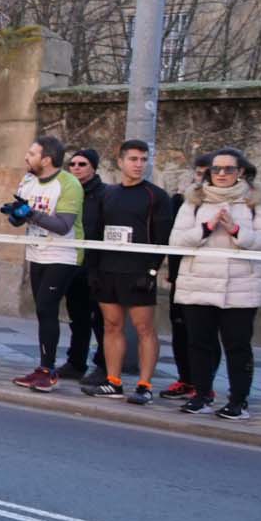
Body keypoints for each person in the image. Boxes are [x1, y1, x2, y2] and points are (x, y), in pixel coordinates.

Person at [169, 148, 261, 420]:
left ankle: (238, 401)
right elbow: (176, 241)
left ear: (241, 172)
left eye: (228, 169)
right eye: (216, 169)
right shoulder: (194, 200)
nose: (221, 174)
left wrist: (236, 230)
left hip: (240, 287)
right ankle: (201, 395)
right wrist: (206, 228)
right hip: (198, 284)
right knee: (199, 344)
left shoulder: (255, 202)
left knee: (237, 345)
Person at [80, 139, 170, 403]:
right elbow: (94, 233)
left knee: (144, 328)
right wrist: (93, 270)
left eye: (143, 159)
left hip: (138, 272)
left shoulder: (156, 196)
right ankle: (113, 381)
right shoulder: (107, 194)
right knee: (111, 325)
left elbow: (162, 239)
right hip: (108, 270)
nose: (139, 165)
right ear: (120, 162)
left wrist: (151, 271)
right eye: (133, 159)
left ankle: (144, 385)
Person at [6, 135, 85, 392]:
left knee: (46, 308)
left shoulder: (69, 184)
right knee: (41, 310)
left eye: (32, 153)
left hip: (63, 254)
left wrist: (31, 213)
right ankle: (42, 367)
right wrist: (16, 214)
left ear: (47, 159)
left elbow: (63, 226)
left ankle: (48, 371)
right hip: (36, 252)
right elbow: (20, 219)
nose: (26, 157)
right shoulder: (29, 180)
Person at [160, 153, 214, 401]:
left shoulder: (225, 206)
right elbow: (175, 239)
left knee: (205, 335)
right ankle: (185, 379)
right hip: (182, 277)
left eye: (208, 173)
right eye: (200, 173)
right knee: (180, 330)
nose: (203, 178)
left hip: (210, 278)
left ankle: (205, 384)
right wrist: (172, 273)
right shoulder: (181, 201)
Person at [61, 147, 106, 383]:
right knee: (77, 316)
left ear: (93, 168)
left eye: (82, 164)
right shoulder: (68, 190)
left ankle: (103, 365)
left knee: (100, 318)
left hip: (97, 264)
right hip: (73, 262)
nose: (77, 168)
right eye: (73, 164)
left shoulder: (104, 194)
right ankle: (75, 361)